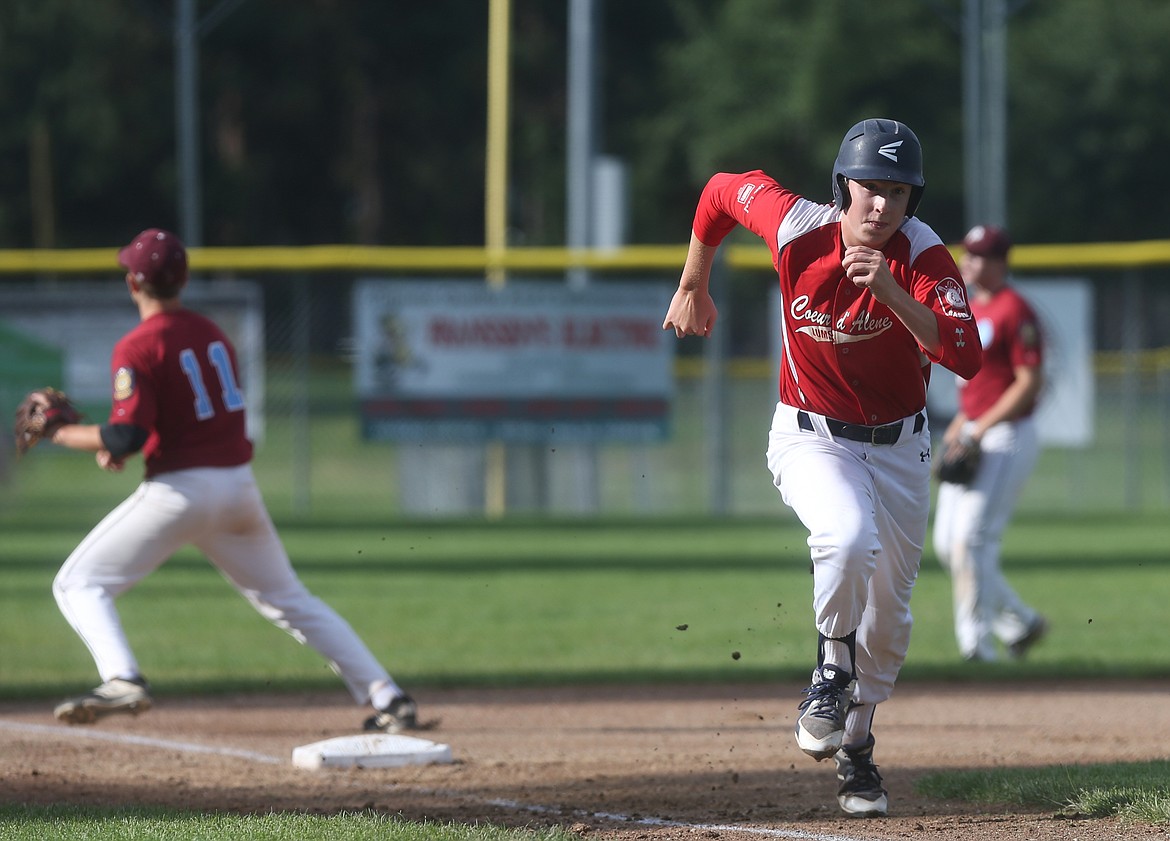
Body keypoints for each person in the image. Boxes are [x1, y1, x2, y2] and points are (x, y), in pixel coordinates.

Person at [662, 119, 981, 818]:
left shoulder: (923, 257)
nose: (882, 205)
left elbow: (966, 353)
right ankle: (831, 667)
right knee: (845, 535)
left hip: (900, 448)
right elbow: (720, 191)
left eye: (898, 192)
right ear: (844, 187)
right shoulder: (797, 226)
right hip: (811, 436)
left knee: (891, 619)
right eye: (870, 188)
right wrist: (694, 280)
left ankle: (858, 747)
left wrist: (896, 295)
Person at [48, 228, 420, 734]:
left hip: (182, 493)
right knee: (291, 600)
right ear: (181, 279)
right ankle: (388, 696)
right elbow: (168, 422)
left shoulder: (138, 345)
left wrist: (63, 432)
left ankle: (122, 678)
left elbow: (125, 434)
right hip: (238, 487)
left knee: (78, 582)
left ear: (134, 283)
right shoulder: (211, 332)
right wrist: (123, 445)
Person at [932, 224, 1047, 662]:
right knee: (947, 544)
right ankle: (1021, 621)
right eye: (968, 254)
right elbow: (978, 390)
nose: (970, 262)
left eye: (980, 256)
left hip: (1007, 435)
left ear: (1000, 263)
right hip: (975, 430)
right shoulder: (971, 310)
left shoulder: (1014, 310)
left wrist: (979, 428)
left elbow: (1029, 383)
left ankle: (976, 648)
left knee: (972, 542)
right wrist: (962, 426)